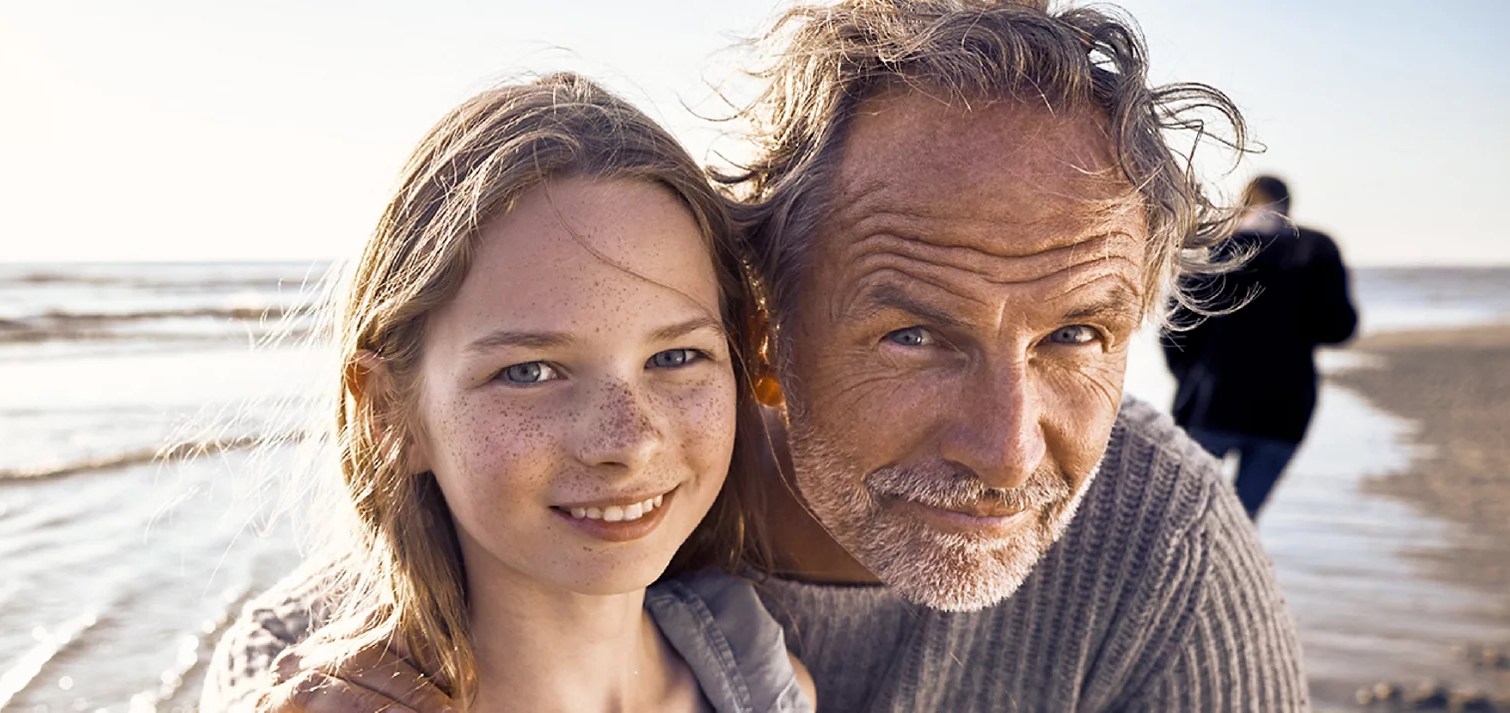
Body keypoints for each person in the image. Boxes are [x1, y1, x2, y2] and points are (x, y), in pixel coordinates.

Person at [213, 1, 1309, 710]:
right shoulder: (333, 673)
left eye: (1074, 335)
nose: (1007, 450)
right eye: (915, 334)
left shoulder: (1160, 553)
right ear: (763, 334)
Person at [200, 73, 816, 712]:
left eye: (675, 357)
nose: (629, 441)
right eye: (531, 371)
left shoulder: (771, 690)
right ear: (388, 413)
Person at [1163, 176, 1358, 521]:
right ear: (1288, 206)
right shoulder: (1317, 248)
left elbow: (1174, 328)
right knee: (1240, 525)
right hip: (1286, 407)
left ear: (1243, 204)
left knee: (1179, 517)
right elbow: (1339, 329)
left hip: (1211, 401)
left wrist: (1189, 375)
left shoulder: (1213, 246)